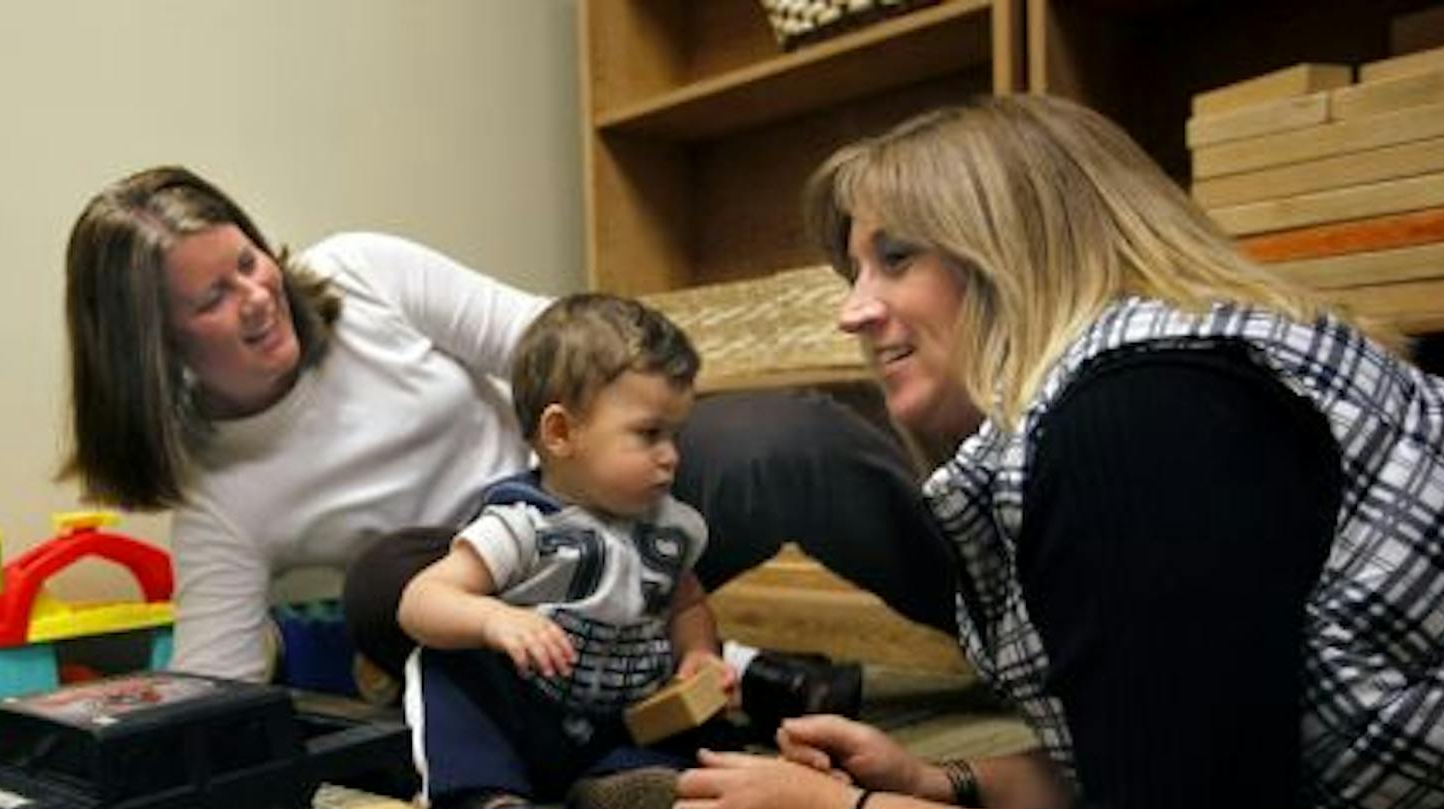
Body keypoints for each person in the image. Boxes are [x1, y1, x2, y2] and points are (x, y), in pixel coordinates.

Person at [672, 94, 1444, 809]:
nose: (853, 312)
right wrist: (945, 784)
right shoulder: (1179, 373)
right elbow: (1200, 750)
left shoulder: (1134, 422)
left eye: (896, 258)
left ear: (1017, 245)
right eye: (855, 270)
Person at [60, 165, 950, 698]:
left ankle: (1003, 608)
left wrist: (626, 434)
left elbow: (556, 342)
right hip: (490, 621)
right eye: (212, 297)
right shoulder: (219, 495)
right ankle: (721, 675)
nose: (256, 296)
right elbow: (211, 685)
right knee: (386, 590)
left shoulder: (359, 271)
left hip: (599, 511)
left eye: (249, 260)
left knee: (790, 437)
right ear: (157, 347)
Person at [396, 294, 741, 809]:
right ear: (560, 433)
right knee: (446, 663)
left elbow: (687, 603)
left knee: (691, 733)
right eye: (649, 433)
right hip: (523, 711)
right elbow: (420, 600)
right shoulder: (523, 523)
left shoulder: (669, 527)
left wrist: (700, 653)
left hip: (617, 712)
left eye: (676, 434)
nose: (671, 457)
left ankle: (615, 795)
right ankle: (483, 796)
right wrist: (495, 619)